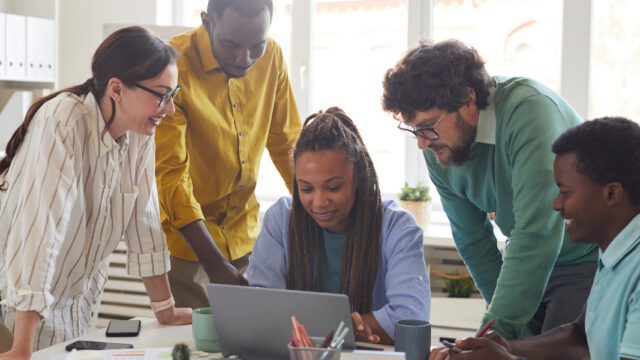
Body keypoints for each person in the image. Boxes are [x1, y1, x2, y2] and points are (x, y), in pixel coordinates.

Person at [381, 39, 598, 339]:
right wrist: (497, 334)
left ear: (469, 100)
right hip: (525, 259)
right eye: (415, 130)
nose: (422, 142)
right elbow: (473, 241)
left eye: (428, 126)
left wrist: (494, 334)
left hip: (582, 259)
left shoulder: (528, 112)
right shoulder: (436, 146)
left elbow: (537, 232)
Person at [0, 26, 192, 359]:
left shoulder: (140, 132)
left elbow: (144, 221)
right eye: (162, 95)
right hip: (16, 313)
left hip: (75, 310)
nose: (169, 109)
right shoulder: (64, 120)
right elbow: (39, 231)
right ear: (117, 88)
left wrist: (166, 310)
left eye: (173, 95)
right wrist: (21, 347)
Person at [429, 117, 640, 360]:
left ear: (611, 194)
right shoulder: (616, 251)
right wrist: (508, 347)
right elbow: (580, 337)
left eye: (565, 192)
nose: (556, 204)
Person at [155, 0, 302, 308]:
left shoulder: (272, 56)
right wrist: (214, 264)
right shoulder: (173, 66)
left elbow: (287, 143)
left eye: (256, 46)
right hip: (190, 247)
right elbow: (171, 176)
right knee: (195, 350)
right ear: (208, 21)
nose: (244, 59)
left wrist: (315, 211)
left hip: (248, 237)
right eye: (231, 45)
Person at [246, 107, 430, 345]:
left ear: (358, 179)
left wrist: (322, 331)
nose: (320, 202)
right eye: (306, 189)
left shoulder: (398, 229)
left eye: (333, 187)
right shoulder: (281, 220)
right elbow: (260, 308)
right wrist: (350, 328)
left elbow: (409, 319)